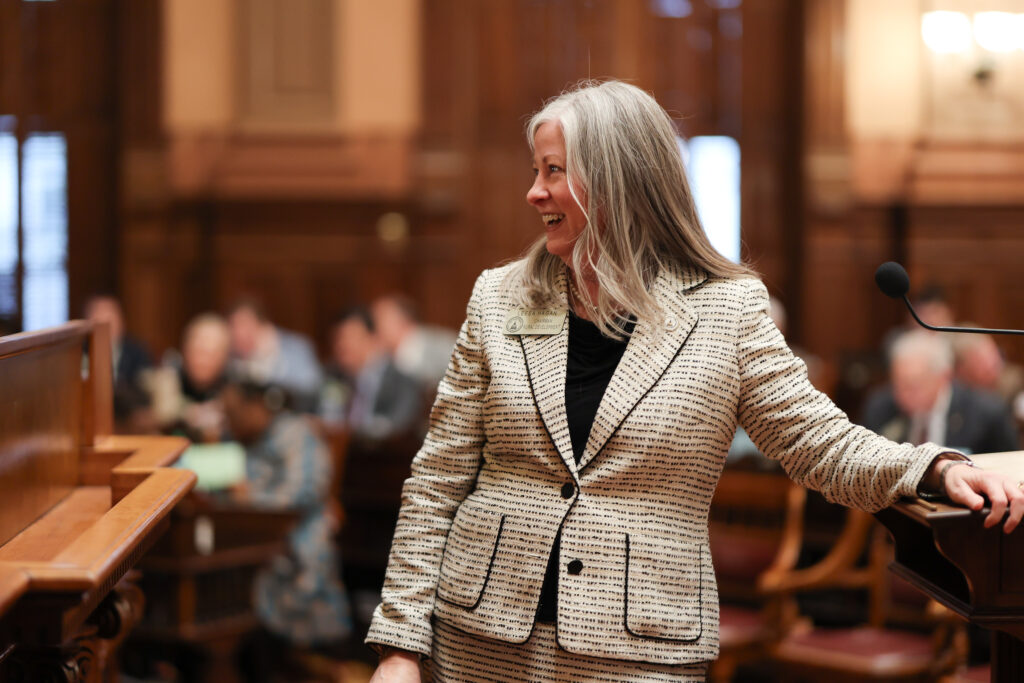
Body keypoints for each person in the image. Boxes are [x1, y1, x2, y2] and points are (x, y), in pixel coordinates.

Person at [365, 81, 1024, 683]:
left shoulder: (726, 308)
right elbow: (438, 480)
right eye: (535, 171)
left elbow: (819, 442)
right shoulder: (499, 296)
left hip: (638, 648)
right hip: (479, 637)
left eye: (552, 171)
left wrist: (934, 468)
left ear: (615, 180)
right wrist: (399, 644)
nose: (533, 192)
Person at [221, 378, 351, 654]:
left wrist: (250, 499)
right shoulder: (242, 439)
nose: (227, 421)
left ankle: (287, 653)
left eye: (232, 413)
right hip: (251, 529)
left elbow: (304, 491)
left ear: (255, 406)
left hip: (295, 527)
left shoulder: (294, 433)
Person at [862, 330, 1018, 454]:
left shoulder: (986, 414)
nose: (902, 395)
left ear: (943, 377)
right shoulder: (880, 407)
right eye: (897, 384)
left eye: (913, 386)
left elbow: (1008, 468)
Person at [322, 307, 422, 440]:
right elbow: (326, 414)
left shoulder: (401, 382)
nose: (342, 346)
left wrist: (358, 431)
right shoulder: (334, 376)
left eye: (350, 338)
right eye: (338, 339)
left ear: (373, 339)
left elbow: (398, 427)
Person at [147, 312, 232, 442]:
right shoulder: (169, 378)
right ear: (185, 350)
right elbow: (161, 415)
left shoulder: (233, 386)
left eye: (210, 354)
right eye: (198, 351)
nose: (202, 361)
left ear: (224, 357)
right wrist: (188, 413)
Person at [227, 299, 323, 412]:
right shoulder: (230, 357)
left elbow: (310, 387)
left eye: (244, 325)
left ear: (263, 325)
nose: (239, 333)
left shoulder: (296, 348)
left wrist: (266, 360)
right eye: (234, 327)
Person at [84, 293, 153, 425]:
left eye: (110, 319)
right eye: (99, 320)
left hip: (129, 422)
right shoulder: (80, 353)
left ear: (121, 320)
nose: (106, 327)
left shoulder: (138, 351)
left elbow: (145, 392)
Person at [371, 294, 457, 393]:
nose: (375, 329)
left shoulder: (442, 344)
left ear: (402, 320)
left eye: (380, 319)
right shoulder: (386, 360)